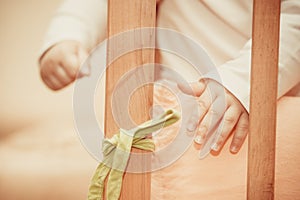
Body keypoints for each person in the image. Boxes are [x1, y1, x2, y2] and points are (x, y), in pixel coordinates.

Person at [39, 0, 300, 155]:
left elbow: (295, 19)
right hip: (174, 113)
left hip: (274, 103)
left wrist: (244, 81)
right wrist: (68, 32)